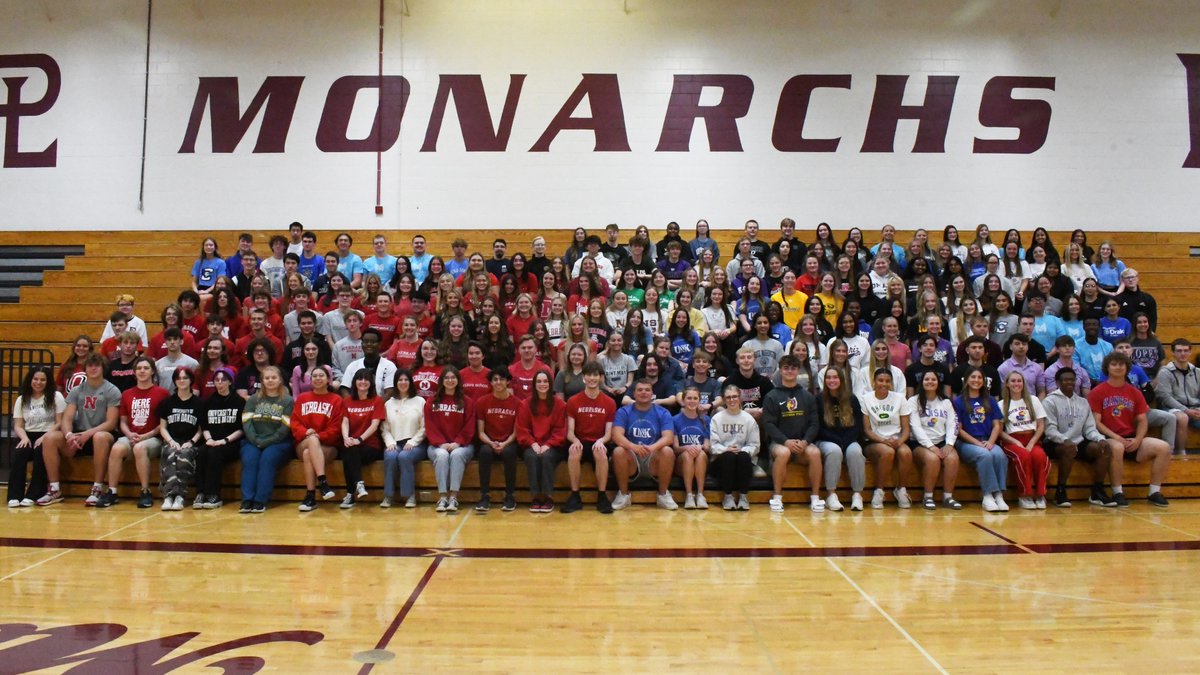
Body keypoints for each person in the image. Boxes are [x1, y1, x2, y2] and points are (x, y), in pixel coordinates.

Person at [1089, 352, 1172, 507]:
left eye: (1122, 364)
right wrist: (1117, 437)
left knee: (1164, 447)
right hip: (1108, 437)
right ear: (1107, 368)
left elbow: (1142, 420)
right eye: (1114, 364)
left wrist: (1138, 439)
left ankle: (1154, 492)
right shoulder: (1097, 391)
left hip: (1131, 437)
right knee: (1118, 447)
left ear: (1127, 368)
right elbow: (1096, 422)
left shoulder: (1134, 392)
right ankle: (1118, 492)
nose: (1118, 367)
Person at [35, 354, 120, 506]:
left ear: (102, 368)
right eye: (90, 366)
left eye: (97, 365)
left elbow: (111, 423)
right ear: (85, 369)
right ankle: (54, 489)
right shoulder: (77, 390)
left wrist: (88, 433)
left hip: (101, 435)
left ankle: (97, 488)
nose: (93, 368)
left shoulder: (111, 390)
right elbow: (67, 418)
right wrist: (69, 435)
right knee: (50, 438)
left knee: (100, 436)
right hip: (78, 435)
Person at [1043, 368, 1121, 508]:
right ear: (1058, 382)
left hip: (1078, 441)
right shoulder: (1050, 401)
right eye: (1065, 379)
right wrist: (1064, 440)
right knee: (1068, 448)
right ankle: (1060, 491)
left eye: (1072, 379)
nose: (1070, 382)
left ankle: (1097, 491)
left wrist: (1100, 438)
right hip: (1055, 442)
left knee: (1103, 448)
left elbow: (1090, 428)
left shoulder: (1083, 402)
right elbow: (1050, 430)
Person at [100, 356, 170, 508]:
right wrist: (129, 434)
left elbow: (163, 424)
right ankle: (112, 491)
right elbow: (123, 422)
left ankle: (145, 491)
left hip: (153, 438)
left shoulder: (162, 393)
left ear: (152, 371)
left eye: (146, 368)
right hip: (131, 436)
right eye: (139, 368)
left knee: (140, 448)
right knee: (117, 448)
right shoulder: (127, 394)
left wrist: (145, 436)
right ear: (134, 372)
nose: (142, 371)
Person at [763, 355, 828, 512]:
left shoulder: (807, 396)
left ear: (798, 371)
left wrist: (805, 441)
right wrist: (786, 441)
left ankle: (815, 497)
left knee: (814, 452)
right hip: (780, 444)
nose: (790, 371)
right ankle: (777, 497)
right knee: (784, 452)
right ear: (780, 370)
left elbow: (814, 423)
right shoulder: (772, 396)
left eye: (793, 368)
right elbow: (768, 424)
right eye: (786, 368)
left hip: (801, 444)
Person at [611, 379, 678, 510]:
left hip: (653, 457)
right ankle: (623, 495)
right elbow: (616, 435)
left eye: (647, 390)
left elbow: (669, 437)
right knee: (619, 451)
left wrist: (652, 448)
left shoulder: (663, 412)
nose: (643, 393)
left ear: (652, 394)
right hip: (632, 458)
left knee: (667, 451)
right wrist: (633, 446)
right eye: (640, 390)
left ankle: (663, 495)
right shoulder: (624, 411)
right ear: (634, 394)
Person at [236, 366, 293, 513]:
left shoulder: (287, 401)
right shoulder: (253, 399)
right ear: (262, 381)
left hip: (278, 443)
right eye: (267, 378)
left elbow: (284, 428)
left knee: (267, 459)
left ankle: (260, 500)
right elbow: (247, 422)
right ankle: (247, 499)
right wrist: (255, 439)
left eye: (274, 378)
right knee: (250, 459)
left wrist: (266, 442)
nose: (270, 381)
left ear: (280, 380)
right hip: (253, 440)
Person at [952, 367, 1009, 512]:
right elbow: (959, 429)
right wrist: (978, 443)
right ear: (966, 380)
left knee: (999, 455)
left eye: (979, 378)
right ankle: (987, 495)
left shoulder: (989, 400)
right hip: (967, 442)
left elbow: (997, 425)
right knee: (984, 455)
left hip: (987, 440)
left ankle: (999, 495)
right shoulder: (958, 401)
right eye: (973, 377)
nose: (976, 380)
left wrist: (990, 442)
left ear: (983, 382)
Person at [7, 367, 65, 508]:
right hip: (27, 434)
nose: (38, 382)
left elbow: (59, 422)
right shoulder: (22, 399)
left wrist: (45, 436)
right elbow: (18, 425)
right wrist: (24, 438)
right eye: (36, 379)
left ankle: (34, 494)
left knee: (40, 452)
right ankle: (14, 495)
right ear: (30, 380)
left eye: (42, 380)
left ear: (48, 381)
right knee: (20, 453)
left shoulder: (56, 396)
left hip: (49, 434)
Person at [564, 362, 617, 513]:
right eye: (589, 375)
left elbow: (608, 433)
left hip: (599, 441)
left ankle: (602, 496)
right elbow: (570, 432)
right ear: (583, 378)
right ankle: (575, 496)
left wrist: (601, 441)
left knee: (600, 453)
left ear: (601, 378)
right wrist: (575, 441)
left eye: (596, 375)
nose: (592, 378)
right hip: (580, 440)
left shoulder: (610, 402)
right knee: (573, 452)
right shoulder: (573, 401)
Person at [858, 368, 915, 509]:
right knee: (887, 452)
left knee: (906, 452)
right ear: (874, 382)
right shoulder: (866, 399)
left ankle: (901, 489)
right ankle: (879, 491)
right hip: (874, 441)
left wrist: (899, 441)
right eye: (880, 380)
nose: (884, 384)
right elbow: (867, 430)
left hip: (897, 440)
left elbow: (906, 429)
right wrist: (884, 441)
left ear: (891, 383)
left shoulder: (900, 398)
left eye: (887, 381)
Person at [289, 365, 343, 512]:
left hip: (328, 446)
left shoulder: (337, 400)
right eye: (315, 376)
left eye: (321, 376)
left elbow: (336, 428)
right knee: (311, 441)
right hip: (304, 441)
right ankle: (323, 483)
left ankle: (310, 495)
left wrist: (320, 436)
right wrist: (307, 432)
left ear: (328, 380)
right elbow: (294, 423)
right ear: (310, 380)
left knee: (309, 453)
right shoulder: (302, 398)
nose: (318, 378)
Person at [907, 371, 962, 510]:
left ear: (938, 383)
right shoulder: (913, 401)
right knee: (933, 459)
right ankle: (928, 497)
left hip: (942, 441)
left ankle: (948, 497)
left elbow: (953, 424)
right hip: (920, 443)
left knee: (953, 459)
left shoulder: (946, 402)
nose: (930, 382)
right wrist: (930, 446)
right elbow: (915, 426)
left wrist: (949, 444)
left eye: (933, 379)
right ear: (922, 382)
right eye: (927, 379)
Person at [425, 366, 476, 512]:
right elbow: (430, 425)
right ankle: (442, 497)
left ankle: (453, 497)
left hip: (462, 445)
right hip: (437, 445)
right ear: (441, 381)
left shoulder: (467, 401)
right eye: (446, 378)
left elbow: (469, 425)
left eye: (453, 377)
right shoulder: (431, 401)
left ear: (458, 381)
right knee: (441, 456)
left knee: (456, 454)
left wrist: (458, 442)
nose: (450, 380)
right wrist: (440, 443)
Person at [192, 367, 244, 509]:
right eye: (217, 380)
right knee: (202, 452)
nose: (220, 383)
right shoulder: (208, 402)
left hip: (231, 442)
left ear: (230, 382)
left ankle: (213, 494)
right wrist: (209, 440)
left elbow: (241, 428)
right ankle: (201, 492)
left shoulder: (238, 401)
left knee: (215, 453)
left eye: (223, 380)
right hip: (212, 440)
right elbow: (204, 426)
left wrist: (224, 440)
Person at [815, 367, 866, 510]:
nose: (832, 380)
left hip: (848, 439)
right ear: (824, 381)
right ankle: (831, 495)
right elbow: (817, 427)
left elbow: (858, 425)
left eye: (835, 377)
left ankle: (857, 494)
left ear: (841, 380)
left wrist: (847, 441)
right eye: (829, 378)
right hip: (826, 440)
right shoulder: (819, 399)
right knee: (834, 451)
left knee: (855, 451)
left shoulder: (852, 399)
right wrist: (837, 441)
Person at [998, 370, 1049, 509]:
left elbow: (1040, 425)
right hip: (1012, 440)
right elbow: (1000, 431)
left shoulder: (1033, 400)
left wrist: (1032, 442)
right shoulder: (1002, 404)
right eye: (1013, 381)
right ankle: (1024, 496)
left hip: (1032, 438)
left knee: (1039, 456)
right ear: (1007, 384)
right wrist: (1016, 442)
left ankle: (1040, 495)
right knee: (1024, 456)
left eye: (1019, 381)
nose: (1016, 384)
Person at [474, 367, 522, 512]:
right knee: (484, 453)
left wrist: (504, 443)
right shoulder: (482, 402)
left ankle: (509, 495)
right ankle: (484, 495)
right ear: (491, 383)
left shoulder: (517, 403)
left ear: (508, 381)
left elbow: (516, 431)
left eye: (501, 379)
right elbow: (480, 432)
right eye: (495, 379)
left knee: (509, 453)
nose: (498, 382)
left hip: (509, 441)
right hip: (489, 441)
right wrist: (491, 443)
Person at [1155, 338, 1200, 455]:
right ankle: (1181, 453)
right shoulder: (1165, 372)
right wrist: (1185, 410)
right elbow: (1164, 396)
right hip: (1171, 408)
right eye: (1179, 351)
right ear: (1173, 353)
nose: (1183, 354)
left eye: (1186, 351)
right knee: (1182, 417)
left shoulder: (1197, 372)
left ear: (1190, 352)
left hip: (1195, 407)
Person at [672, 387, 711, 509]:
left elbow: (707, 446)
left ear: (699, 401)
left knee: (701, 454)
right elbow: (675, 448)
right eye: (689, 398)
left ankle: (700, 495)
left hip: (700, 459)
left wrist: (700, 447)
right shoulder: (675, 419)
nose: (692, 401)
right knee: (688, 454)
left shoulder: (706, 420)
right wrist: (687, 447)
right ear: (683, 400)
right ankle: (689, 495)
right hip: (681, 461)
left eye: (695, 398)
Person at [340, 329, 398, 399]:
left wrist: (376, 405)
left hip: (381, 406)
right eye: (366, 342)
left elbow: (390, 391)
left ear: (380, 344)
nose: (369, 344)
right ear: (361, 344)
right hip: (356, 406)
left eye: (373, 342)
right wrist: (352, 404)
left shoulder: (389, 366)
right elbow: (344, 388)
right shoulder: (353, 366)